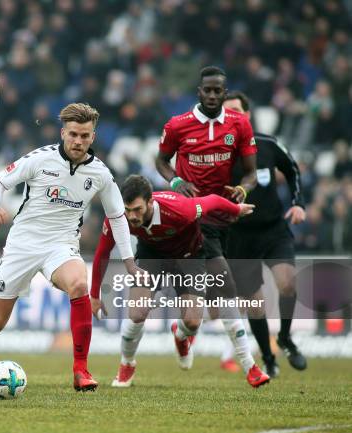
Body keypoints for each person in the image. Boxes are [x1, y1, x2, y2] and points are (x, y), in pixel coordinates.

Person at [0, 103, 143, 392]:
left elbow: (117, 217)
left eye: (85, 136)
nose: (78, 141)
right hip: (23, 245)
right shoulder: (40, 159)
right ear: (63, 133)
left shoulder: (100, 174)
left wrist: (130, 261)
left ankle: (80, 370)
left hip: (61, 245)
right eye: (73, 134)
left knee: (78, 284)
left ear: (93, 138)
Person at [90, 175, 268, 388]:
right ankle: (127, 363)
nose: (132, 216)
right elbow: (102, 253)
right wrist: (94, 294)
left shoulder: (180, 208)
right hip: (152, 255)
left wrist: (236, 209)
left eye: (137, 209)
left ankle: (182, 335)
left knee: (193, 322)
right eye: (128, 210)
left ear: (150, 202)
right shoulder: (117, 217)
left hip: (189, 255)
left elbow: (212, 201)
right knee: (137, 313)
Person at [155, 66, 266, 385]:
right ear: (199, 92)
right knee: (228, 289)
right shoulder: (178, 125)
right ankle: (250, 367)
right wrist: (176, 180)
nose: (214, 96)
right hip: (190, 219)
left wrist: (243, 189)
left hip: (225, 217)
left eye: (219, 91)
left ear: (224, 91)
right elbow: (161, 161)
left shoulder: (239, 124)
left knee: (195, 316)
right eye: (209, 91)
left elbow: (250, 173)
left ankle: (182, 331)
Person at [222, 91, 308, 377]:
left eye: (236, 111)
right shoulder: (218, 152)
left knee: (287, 284)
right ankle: (268, 357)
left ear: (247, 114)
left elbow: (292, 169)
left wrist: (297, 203)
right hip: (239, 236)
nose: (232, 116)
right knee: (254, 304)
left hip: (273, 230)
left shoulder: (268, 144)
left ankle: (285, 337)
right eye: (227, 112)